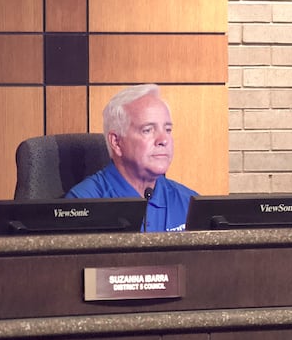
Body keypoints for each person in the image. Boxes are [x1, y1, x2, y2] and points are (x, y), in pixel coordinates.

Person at [65, 84, 197, 232]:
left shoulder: (190, 202)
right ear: (116, 142)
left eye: (167, 129)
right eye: (148, 130)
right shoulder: (82, 204)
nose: (163, 139)